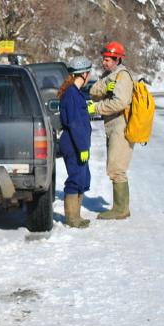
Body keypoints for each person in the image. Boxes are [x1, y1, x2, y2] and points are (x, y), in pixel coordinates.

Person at [89, 41, 134, 220]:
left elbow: (120, 102)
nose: (104, 62)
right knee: (114, 166)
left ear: (117, 59)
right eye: (104, 58)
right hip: (113, 126)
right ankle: (120, 207)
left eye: (108, 59)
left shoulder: (122, 76)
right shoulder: (109, 75)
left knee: (117, 167)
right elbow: (93, 91)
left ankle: (121, 209)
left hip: (121, 125)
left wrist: (96, 108)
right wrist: (105, 89)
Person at [57, 58, 93, 228]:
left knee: (83, 178)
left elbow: (79, 117)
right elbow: (75, 123)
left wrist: (88, 108)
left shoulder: (75, 93)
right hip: (73, 143)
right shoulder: (71, 93)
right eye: (89, 73)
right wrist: (82, 147)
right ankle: (72, 218)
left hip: (78, 142)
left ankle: (76, 215)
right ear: (84, 74)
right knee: (75, 178)